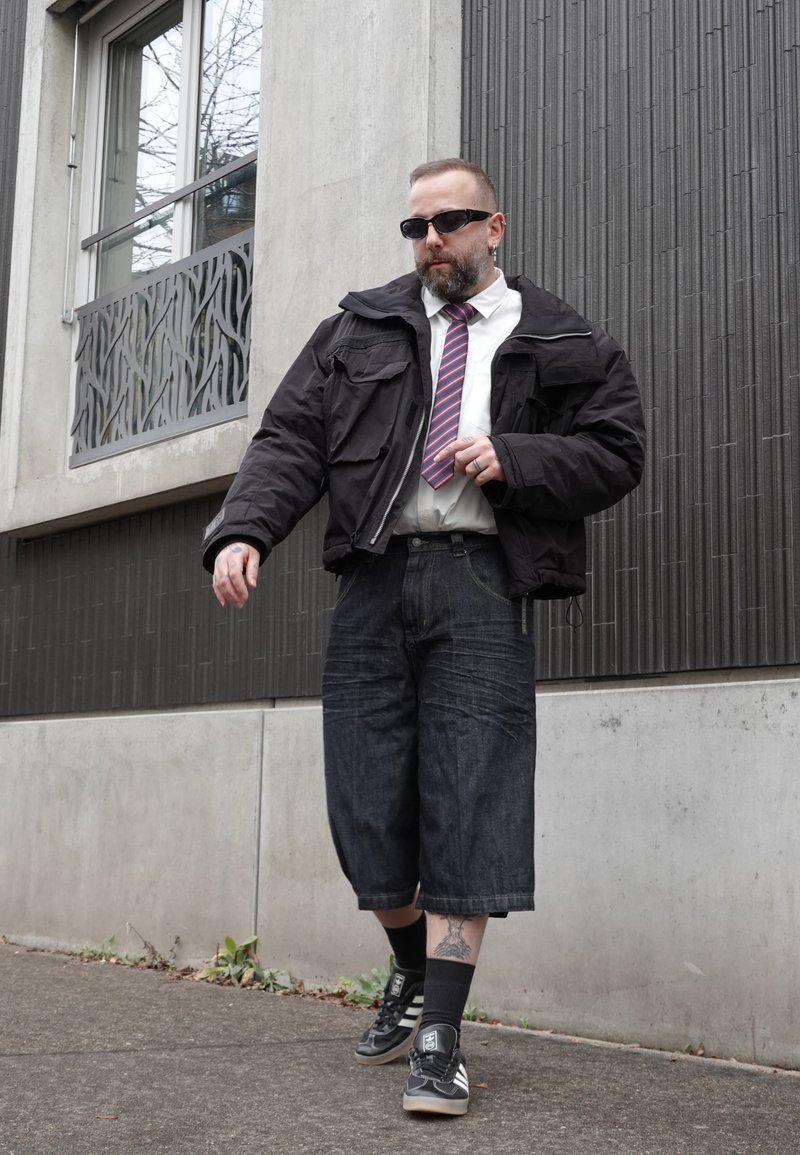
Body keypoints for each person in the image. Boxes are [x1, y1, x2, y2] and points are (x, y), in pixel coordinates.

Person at [203, 158, 645, 1117]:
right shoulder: (359, 328)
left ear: (495, 227)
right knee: (366, 812)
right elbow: (289, 439)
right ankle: (410, 965)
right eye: (414, 227)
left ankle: (440, 1035)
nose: (429, 240)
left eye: (447, 222)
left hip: (483, 584)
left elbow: (617, 451)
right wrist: (243, 529)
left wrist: (516, 457)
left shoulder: (563, 338)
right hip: (374, 578)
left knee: (469, 797)